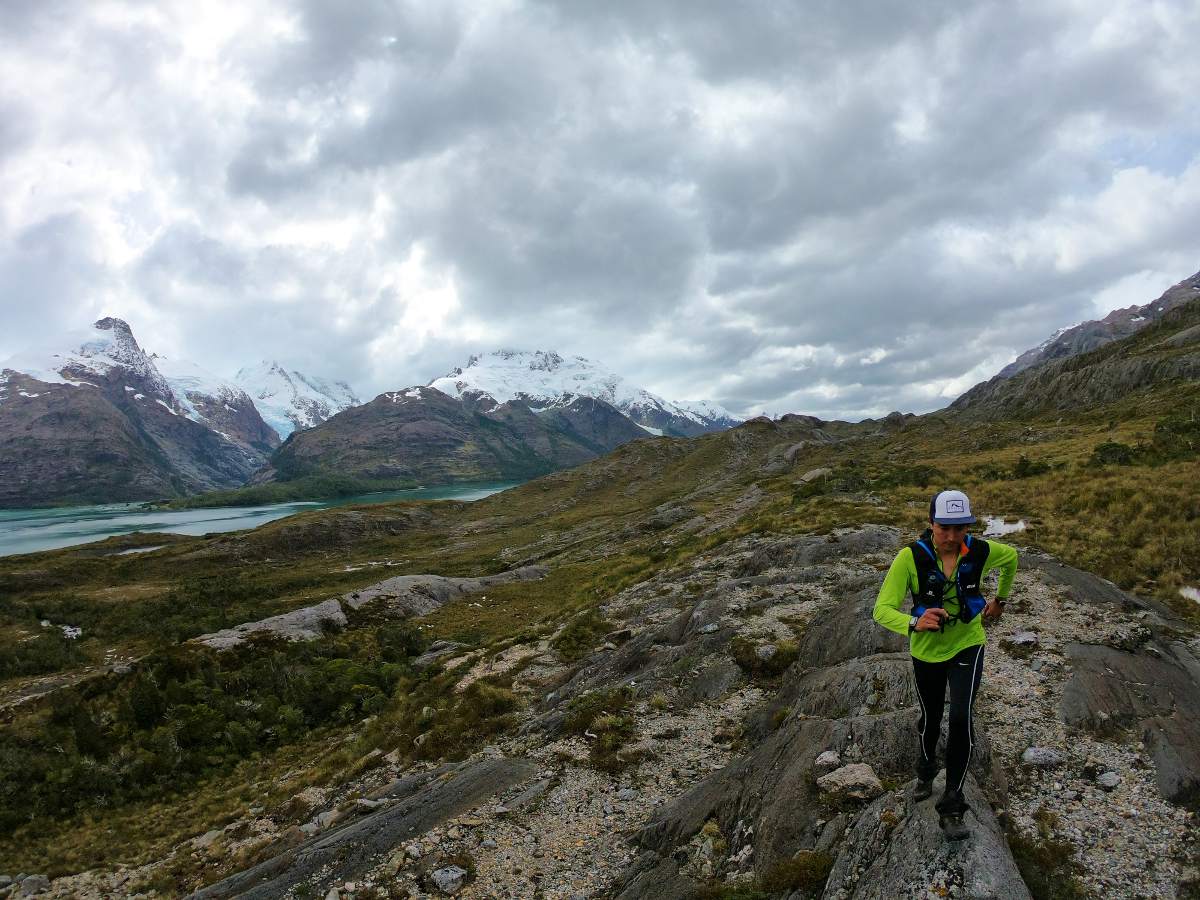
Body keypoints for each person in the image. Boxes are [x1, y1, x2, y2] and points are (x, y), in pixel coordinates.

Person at [872, 489, 1018, 840]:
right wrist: (913, 622)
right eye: (944, 528)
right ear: (930, 524)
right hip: (926, 652)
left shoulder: (982, 551)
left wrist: (1000, 600)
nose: (952, 537)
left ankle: (952, 804)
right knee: (931, 718)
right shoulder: (909, 558)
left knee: (961, 716)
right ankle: (925, 769)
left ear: (968, 525)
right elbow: (881, 610)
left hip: (968, 644)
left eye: (960, 528)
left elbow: (1011, 557)